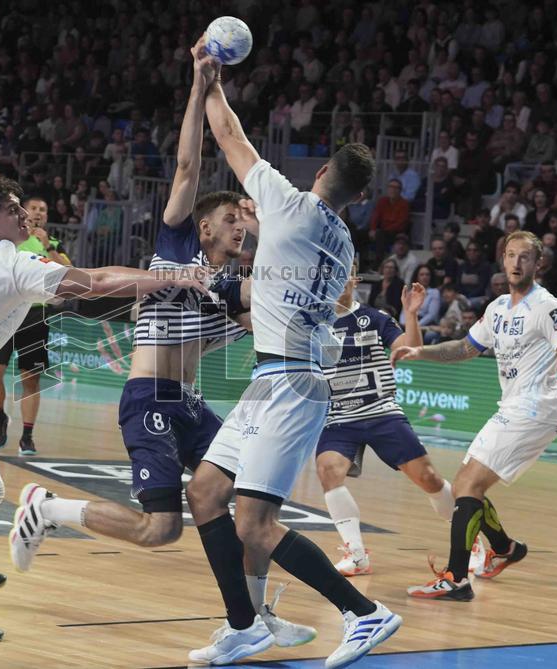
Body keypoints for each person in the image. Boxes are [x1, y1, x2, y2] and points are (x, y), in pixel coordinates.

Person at [6, 47, 315, 648]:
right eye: (230, 218)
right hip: (148, 397)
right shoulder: (177, 252)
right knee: (161, 530)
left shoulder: (239, 289)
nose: (238, 225)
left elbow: (281, 298)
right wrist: (200, 89)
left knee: (251, 497)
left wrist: (266, 224)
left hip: (192, 404)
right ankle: (48, 509)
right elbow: (185, 168)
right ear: (204, 228)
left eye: (241, 221)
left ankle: (251, 618)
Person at [0, 172, 208, 642]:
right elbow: (94, 281)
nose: (24, 214)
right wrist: (171, 277)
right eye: (13, 209)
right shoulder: (14, 265)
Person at [181, 41, 398, 667]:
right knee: (205, 493)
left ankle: (365, 614)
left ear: (322, 172)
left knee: (252, 522)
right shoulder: (343, 244)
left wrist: (208, 78)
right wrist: (263, 241)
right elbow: (286, 281)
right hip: (278, 376)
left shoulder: (290, 204)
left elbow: (229, 135)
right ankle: (243, 626)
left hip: (293, 383)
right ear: (355, 196)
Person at [394, 231, 557, 601]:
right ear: (502, 260)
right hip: (513, 407)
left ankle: (457, 578)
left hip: (537, 409)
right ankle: (505, 548)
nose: (516, 263)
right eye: (510, 255)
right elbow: (464, 348)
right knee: (462, 488)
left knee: (468, 486)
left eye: (525, 257)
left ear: (539, 264)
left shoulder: (549, 308)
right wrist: (418, 352)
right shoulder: (498, 307)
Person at [316, 262, 461, 577]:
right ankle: (356, 555)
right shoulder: (315, 324)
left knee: (429, 479)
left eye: (344, 272)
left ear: (354, 277)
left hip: (381, 412)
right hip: (340, 418)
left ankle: (469, 537)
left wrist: (411, 314)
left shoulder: (374, 318)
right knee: (328, 470)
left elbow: (411, 350)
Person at [0, 194, 72, 454]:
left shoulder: (51, 241)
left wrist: (49, 247)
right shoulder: (7, 236)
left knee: (30, 378)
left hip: (35, 315)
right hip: (4, 313)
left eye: (42, 209)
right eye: (33, 207)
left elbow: (69, 273)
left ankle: (27, 436)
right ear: (22, 211)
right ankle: (0, 417)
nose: (37, 212)